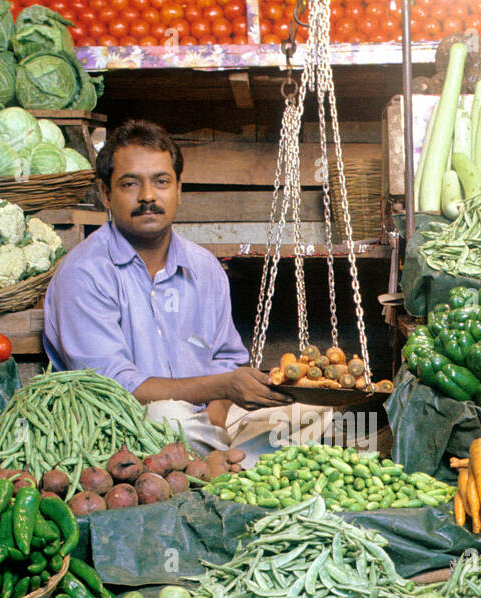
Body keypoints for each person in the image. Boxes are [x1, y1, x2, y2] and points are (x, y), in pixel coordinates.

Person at [43, 119, 329, 460]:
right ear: (106, 193)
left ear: (179, 189)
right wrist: (221, 387)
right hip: (123, 424)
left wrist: (218, 417)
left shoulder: (204, 268)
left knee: (315, 410)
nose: (148, 196)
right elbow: (113, 386)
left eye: (161, 182)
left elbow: (226, 360)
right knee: (170, 419)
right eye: (130, 184)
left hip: (205, 419)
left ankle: (219, 458)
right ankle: (234, 462)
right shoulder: (84, 273)